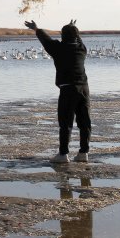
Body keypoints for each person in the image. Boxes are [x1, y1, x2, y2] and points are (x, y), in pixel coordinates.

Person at [24, 19, 90, 163]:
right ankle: (83, 153)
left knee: (65, 123)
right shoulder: (82, 49)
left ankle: (63, 154)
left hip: (68, 89)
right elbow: (78, 39)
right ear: (77, 36)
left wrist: (36, 28)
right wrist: (74, 28)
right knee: (84, 122)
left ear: (62, 36)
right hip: (84, 89)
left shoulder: (58, 48)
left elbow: (45, 40)